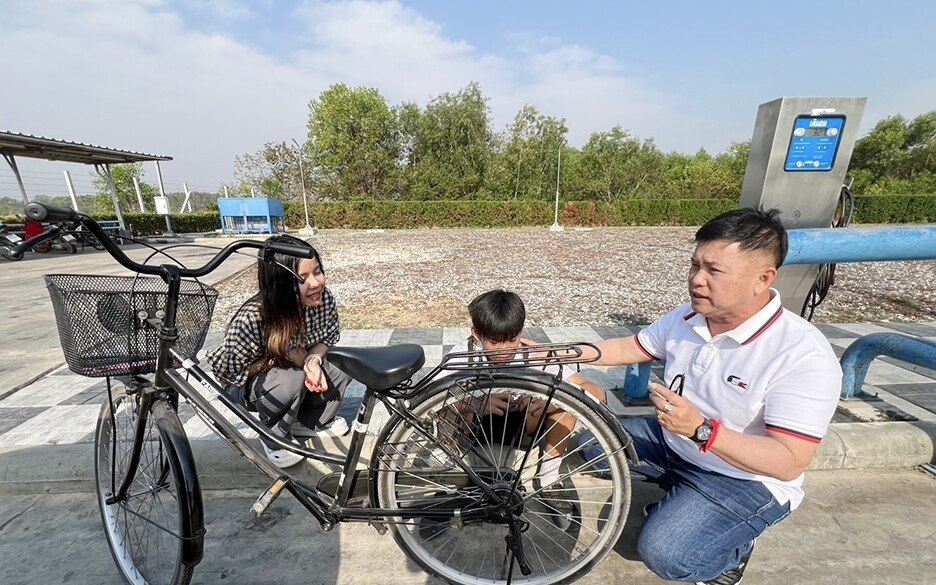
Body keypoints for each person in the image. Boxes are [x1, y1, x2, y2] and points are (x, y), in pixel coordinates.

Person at [578, 207, 841, 584]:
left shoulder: (801, 354)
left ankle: (731, 548)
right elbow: (628, 348)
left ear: (762, 279)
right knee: (586, 440)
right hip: (676, 444)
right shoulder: (688, 316)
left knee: (666, 553)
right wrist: (551, 352)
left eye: (714, 271)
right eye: (694, 265)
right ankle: (684, 496)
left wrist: (702, 430)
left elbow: (788, 461)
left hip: (745, 478)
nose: (696, 280)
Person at [440, 290, 606, 508]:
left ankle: (548, 479)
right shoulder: (464, 354)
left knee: (568, 402)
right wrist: (476, 402)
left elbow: (595, 391)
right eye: (495, 342)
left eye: (511, 340)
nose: (504, 350)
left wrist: (552, 402)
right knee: (448, 402)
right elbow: (431, 400)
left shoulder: (532, 355)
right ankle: (449, 472)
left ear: (521, 332)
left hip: (523, 427)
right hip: (476, 428)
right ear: (476, 334)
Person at [207, 234, 351, 468]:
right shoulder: (254, 317)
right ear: (280, 285)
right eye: (302, 278)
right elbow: (227, 373)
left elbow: (328, 337)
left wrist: (311, 360)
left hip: (291, 369)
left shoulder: (323, 300)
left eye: (317, 271)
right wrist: (281, 359)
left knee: (342, 364)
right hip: (250, 384)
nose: (315, 283)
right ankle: (274, 435)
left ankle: (310, 423)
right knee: (289, 380)